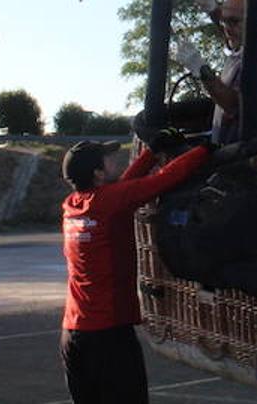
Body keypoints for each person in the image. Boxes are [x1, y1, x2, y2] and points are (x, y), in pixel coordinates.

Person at [59, 131, 210, 404]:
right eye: (107, 159)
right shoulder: (109, 202)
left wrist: (151, 152)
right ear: (98, 174)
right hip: (108, 335)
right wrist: (205, 150)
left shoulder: (73, 206)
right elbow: (162, 181)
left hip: (73, 333)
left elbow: (125, 187)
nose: (114, 160)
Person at [173, 0, 257, 144]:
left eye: (233, 21)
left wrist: (202, 70)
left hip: (256, 156)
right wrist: (212, 9)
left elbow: (237, 106)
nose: (226, 28)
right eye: (224, 21)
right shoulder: (247, 43)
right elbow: (232, 29)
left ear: (255, 19)